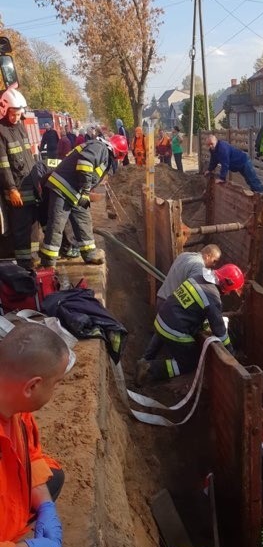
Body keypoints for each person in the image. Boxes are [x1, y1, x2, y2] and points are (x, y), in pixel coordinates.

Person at [0, 323, 70, 547]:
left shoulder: (13, 407)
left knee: (53, 477)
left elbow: (30, 455)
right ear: (32, 386)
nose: (57, 389)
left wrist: (45, 506)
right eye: (56, 383)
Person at [135, 263, 245, 386]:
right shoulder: (213, 298)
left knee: (164, 334)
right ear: (227, 284)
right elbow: (219, 331)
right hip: (173, 330)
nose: (229, 293)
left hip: (161, 318)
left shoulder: (197, 278)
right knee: (188, 363)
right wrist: (230, 352)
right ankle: (150, 368)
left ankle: (145, 359)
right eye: (231, 290)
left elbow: (191, 308)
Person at [39, 134, 128, 268]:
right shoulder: (100, 148)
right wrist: (86, 191)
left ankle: (89, 254)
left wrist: (86, 192)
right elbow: (85, 163)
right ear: (118, 152)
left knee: (84, 220)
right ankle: (48, 262)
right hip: (63, 187)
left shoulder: (103, 154)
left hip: (76, 191)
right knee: (57, 223)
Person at [143, 244, 222, 361]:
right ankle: (168, 364)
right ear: (208, 256)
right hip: (172, 306)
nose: (214, 265)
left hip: (161, 298)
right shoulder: (198, 267)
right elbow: (196, 292)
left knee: (160, 333)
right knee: (176, 339)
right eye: (214, 261)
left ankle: (146, 359)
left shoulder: (184, 255)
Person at [0, 88, 41, 270]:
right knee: (20, 227)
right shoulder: (1, 131)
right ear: (4, 109)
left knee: (33, 225)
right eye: (13, 114)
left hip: (30, 185)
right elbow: (3, 165)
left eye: (19, 114)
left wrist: (37, 181)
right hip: (16, 189)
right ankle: (24, 263)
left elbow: (30, 156)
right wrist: (12, 189)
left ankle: (33, 257)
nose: (16, 118)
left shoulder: (21, 127)